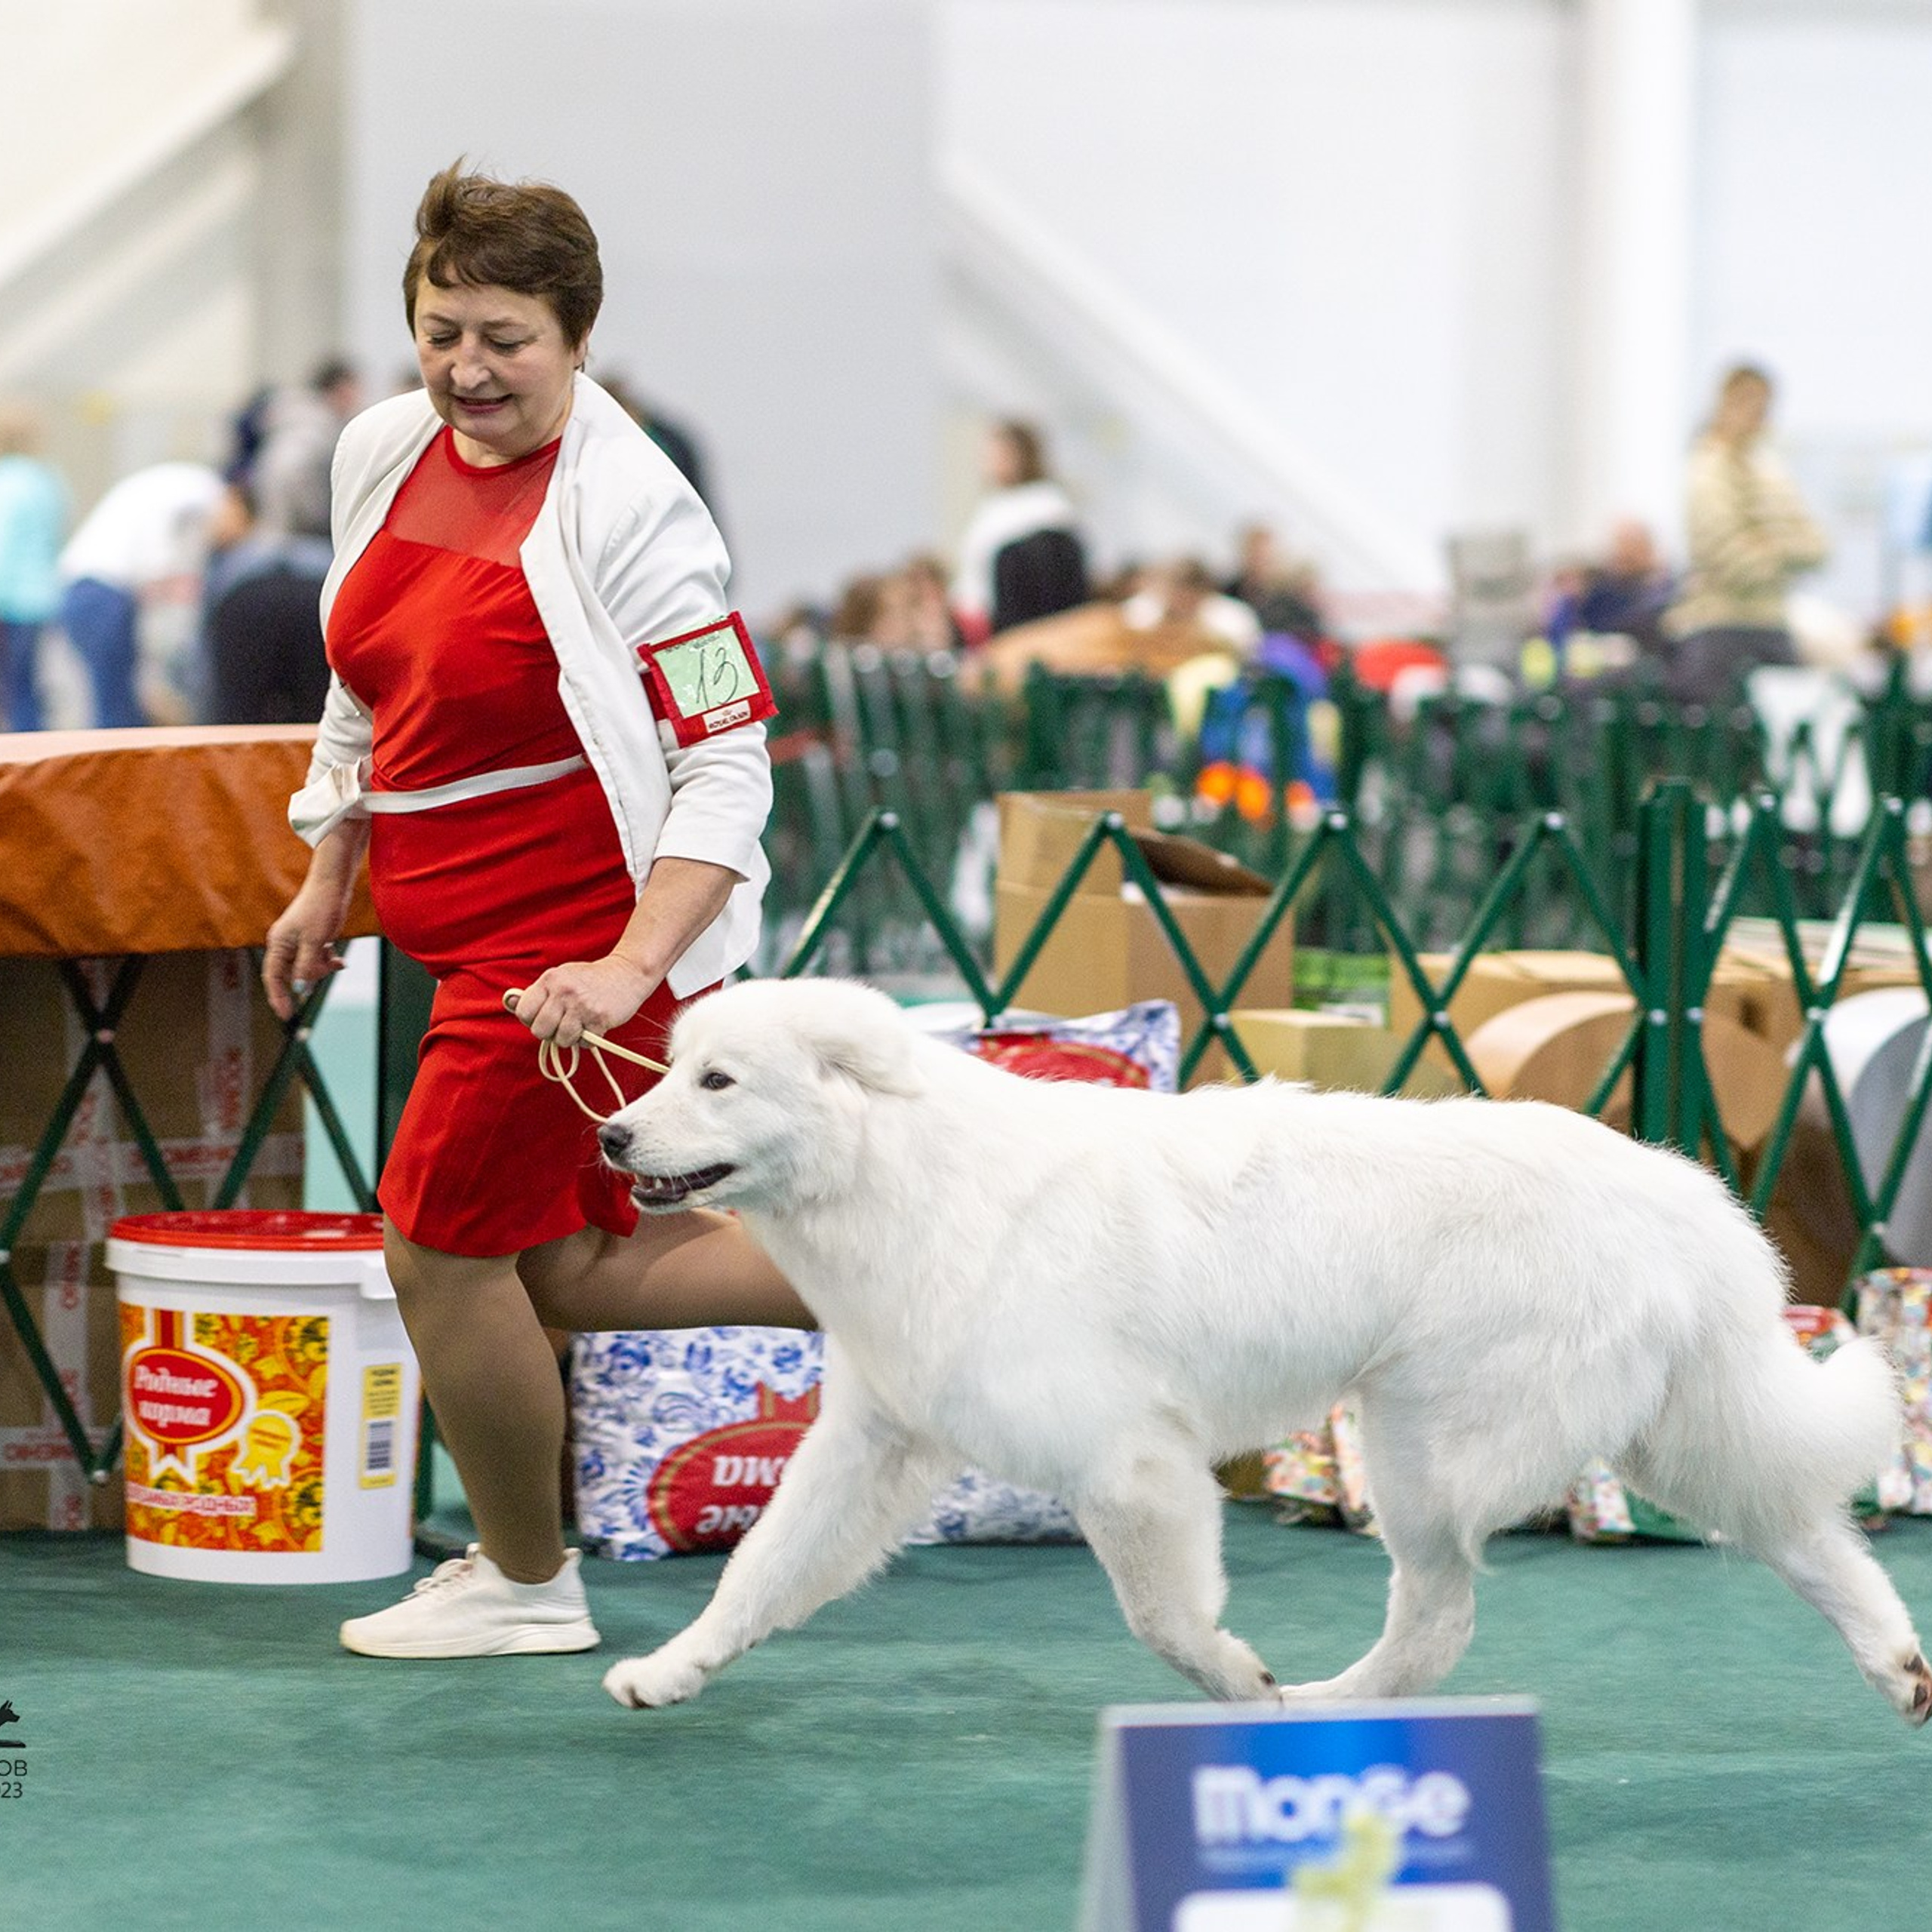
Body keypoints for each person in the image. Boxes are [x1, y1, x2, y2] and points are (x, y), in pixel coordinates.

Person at [263, 162, 810, 1660]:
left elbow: (725, 758)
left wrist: (627, 962)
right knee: (553, 1266)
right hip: (461, 946)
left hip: (575, 948)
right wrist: (331, 862)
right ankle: (907, 1280)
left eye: (504, 336)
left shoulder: (641, 515)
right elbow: (360, 678)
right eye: (441, 329)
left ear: (574, 337)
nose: (466, 368)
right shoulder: (382, 448)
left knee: (436, 1246)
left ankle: (522, 1577)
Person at [1662, 364, 1827, 705]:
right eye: (1746, 401)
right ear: (1724, 402)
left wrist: (1766, 545)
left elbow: (1817, 547)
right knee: (1724, 743)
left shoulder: (1772, 470)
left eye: (1764, 403)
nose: (1756, 412)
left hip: (1774, 625)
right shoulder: (1705, 468)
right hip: (1718, 628)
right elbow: (1731, 562)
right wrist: (1782, 553)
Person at [57, 460, 223, 727]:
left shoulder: (174, 486)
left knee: (115, 699)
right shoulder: (202, 493)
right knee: (115, 706)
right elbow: (156, 566)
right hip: (100, 594)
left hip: (89, 592)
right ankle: (112, 766)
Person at [949, 419, 1089, 644]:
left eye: (1001, 454)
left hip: (1024, 629)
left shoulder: (1047, 508)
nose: (991, 462)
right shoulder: (991, 507)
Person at [0, 402, 69, 730]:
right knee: (27, 688)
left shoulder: (8, 481)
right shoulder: (47, 479)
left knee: (12, 692)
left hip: (9, 600)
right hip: (41, 597)